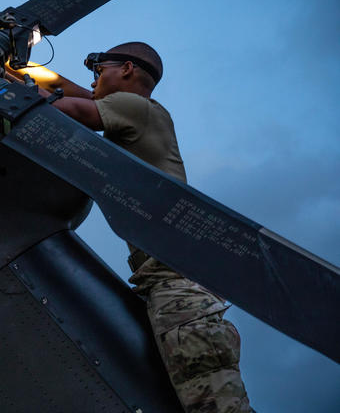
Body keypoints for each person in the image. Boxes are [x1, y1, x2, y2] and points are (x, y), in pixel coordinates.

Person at [43, 42, 253, 413]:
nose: (93, 80)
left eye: (99, 71)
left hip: (179, 293)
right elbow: (76, 92)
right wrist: (17, 69)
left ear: (125, 69)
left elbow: (71, 108)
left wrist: (2, 88)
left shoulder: (136, 107)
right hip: (171, 286)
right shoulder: (137, 113)